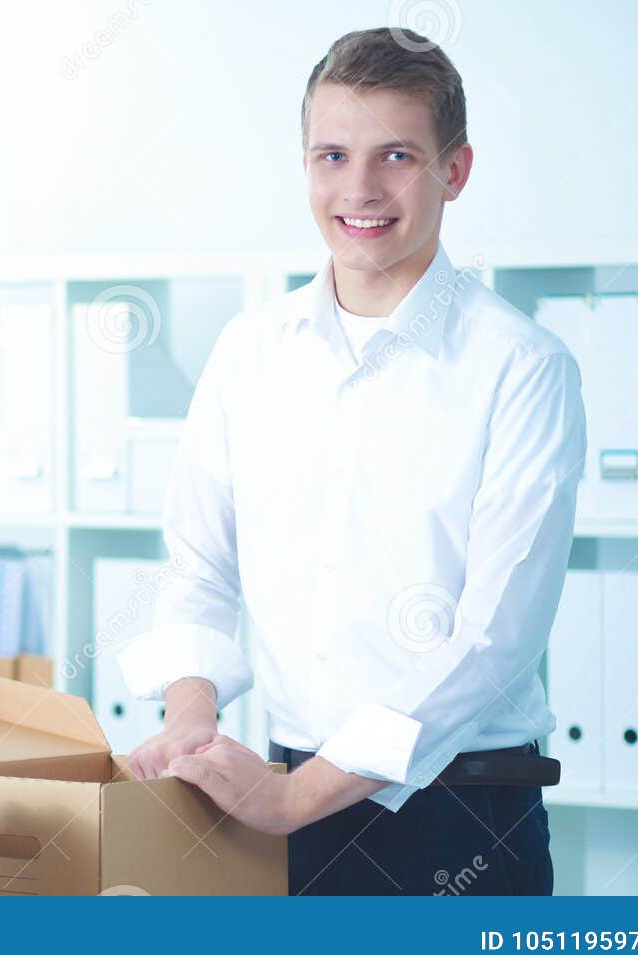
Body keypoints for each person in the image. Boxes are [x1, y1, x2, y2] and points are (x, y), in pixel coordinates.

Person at [118, 27, 586, 896]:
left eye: (396, 156)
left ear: (455, 171)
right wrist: (191, 716)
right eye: (332, 156)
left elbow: (494, 639)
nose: (360, 190)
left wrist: (298, 797)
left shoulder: (522, 367)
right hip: (273, 804)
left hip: (461, 815)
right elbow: (199, 564)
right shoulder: (250, 351)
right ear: (304, 165)